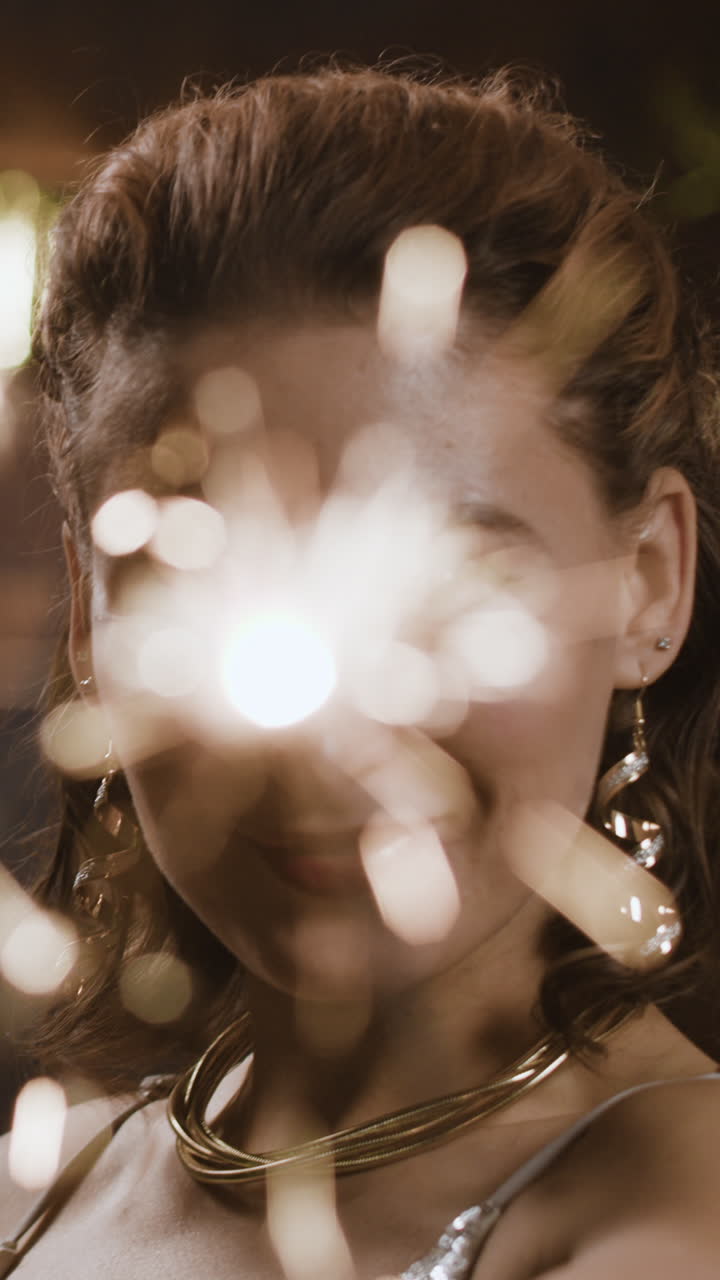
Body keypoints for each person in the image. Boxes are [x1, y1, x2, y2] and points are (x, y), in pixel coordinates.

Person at [1, 63, 720, 1279]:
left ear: (646, 580)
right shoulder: (52, 1177)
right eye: (198, 574)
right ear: (89, 613)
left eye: (446, 586)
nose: (319, 725)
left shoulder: (667, 1229)